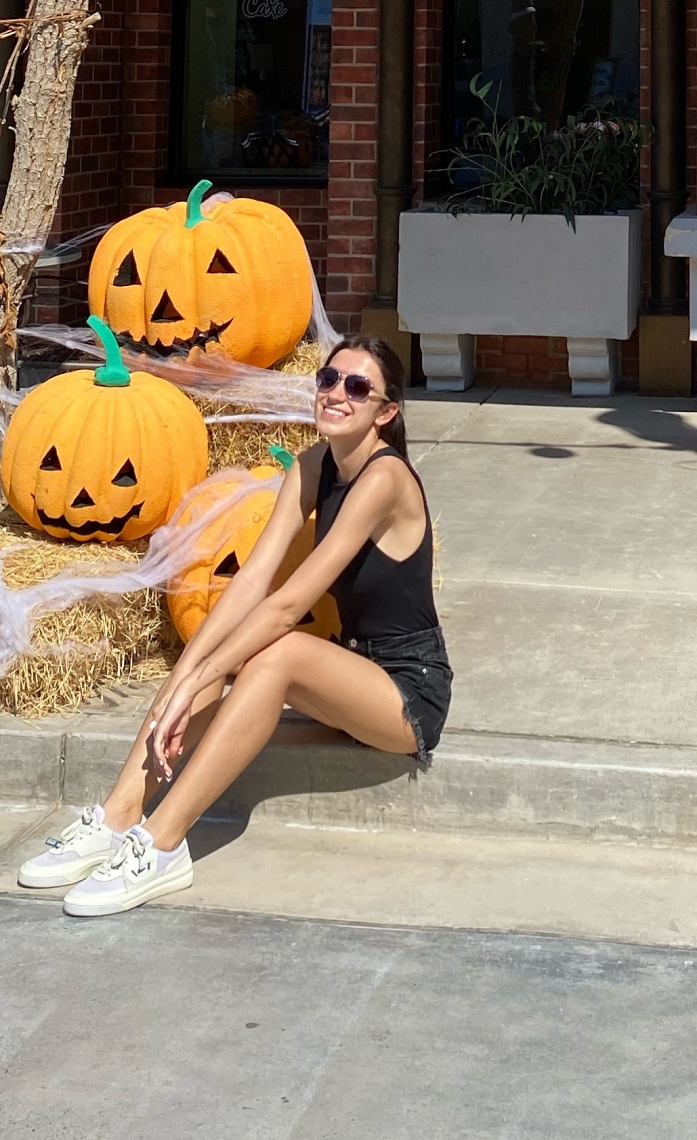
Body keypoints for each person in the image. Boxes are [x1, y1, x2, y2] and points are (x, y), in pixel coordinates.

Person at [16, 336, 452, 919]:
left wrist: (207, 675)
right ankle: (117, 815)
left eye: (357, 387)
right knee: (206, 654)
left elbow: (287, 604)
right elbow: (251, 581)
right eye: (328, 379)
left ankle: (162, 845)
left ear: (385, 411)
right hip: (350, 677)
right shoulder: (313, 465)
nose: (336, 394)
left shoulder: (384, 478)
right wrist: (192, 669)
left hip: (407, 692)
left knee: (276, 651)